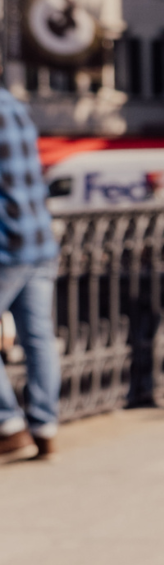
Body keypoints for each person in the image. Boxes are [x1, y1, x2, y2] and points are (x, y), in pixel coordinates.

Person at [0, 82, 58, 461]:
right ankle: (46, 426)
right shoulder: (15, 105)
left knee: (38, 337)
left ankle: (9, 425)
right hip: (39, 238)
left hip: (5, 242)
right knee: (39, 338)